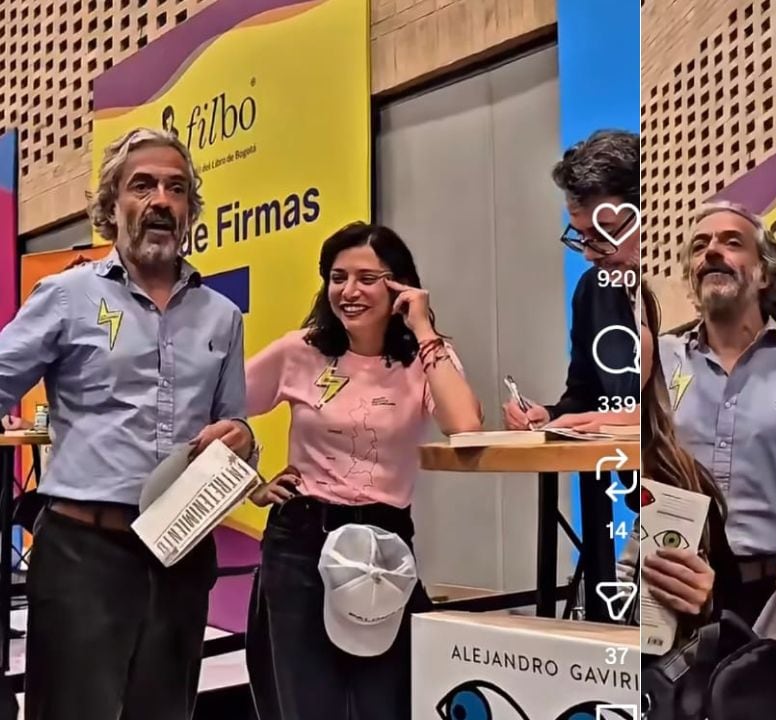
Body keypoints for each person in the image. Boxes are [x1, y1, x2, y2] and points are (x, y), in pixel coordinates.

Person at [0, 127, 255, 720]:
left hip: (181, 555)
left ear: (190, 209)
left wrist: (242, 439)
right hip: (84, 558)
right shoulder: (66, 296)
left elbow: (234, 429)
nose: (161, 200)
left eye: (176, 188)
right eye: (142, 186)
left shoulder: (222, 316)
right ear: (111, 207)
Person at [242, 222, 483, 720]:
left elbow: (465, 425)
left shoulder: (425, 355)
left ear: (399, 285)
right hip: (301, 541)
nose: (348, 292)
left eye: (367, 278)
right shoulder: (300, 350)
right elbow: (216, 408)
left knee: (387, 702)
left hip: (385, 543)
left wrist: (422, 327)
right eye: (337, 277)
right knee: (306, 705)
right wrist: (251, 484)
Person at [659, 201, 776, 624]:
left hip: (771, 599)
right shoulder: (659, 364)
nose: (711, 252)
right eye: (699, 246)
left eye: (731, 242)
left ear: (764, 273)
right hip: (672, 588)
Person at [501, 129, 641, 432]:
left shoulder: (690, 289)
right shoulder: (591, 291)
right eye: (582, 236)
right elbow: (586, 395)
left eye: (605, 231)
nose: (590, 255)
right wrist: (550, 416)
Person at [619, 281, 737, 632]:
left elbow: (723, 608)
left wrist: (703, 603)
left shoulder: (685, 476)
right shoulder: (549, 461)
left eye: (636, 322)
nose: (622, 338)